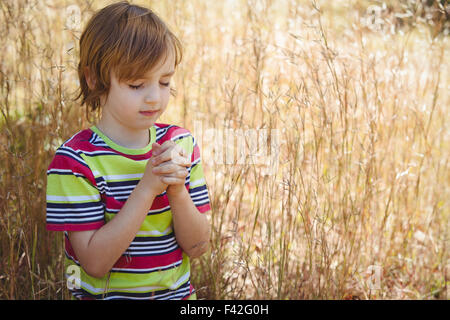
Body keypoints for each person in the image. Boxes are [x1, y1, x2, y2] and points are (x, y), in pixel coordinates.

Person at [46, 1, 211, 300]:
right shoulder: (75, 161)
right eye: (136, 84)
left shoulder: (181, 144)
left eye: (164, 82)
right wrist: (148, 188)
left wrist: (177, 192)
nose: (154, 98)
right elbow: (95, 263)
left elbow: (198, 247)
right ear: (93, 78)